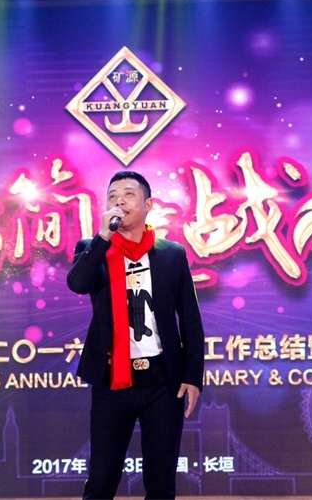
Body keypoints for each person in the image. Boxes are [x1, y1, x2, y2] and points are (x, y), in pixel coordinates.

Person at [67, 170, 205, 499]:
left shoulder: (171, 254)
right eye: (113, 195)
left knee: (160, 481)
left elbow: (190, 317)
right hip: (112, 380)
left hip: (162, 380)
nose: (119, 201)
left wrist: (192, 376)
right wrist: (103, 237)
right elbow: (78, 284)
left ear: (148, 204)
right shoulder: (93, 249)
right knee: (102, 478)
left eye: (128, 194)